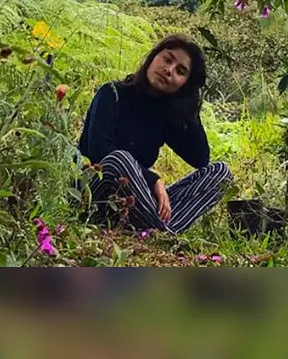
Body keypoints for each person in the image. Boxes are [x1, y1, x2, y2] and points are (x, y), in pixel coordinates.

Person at [77, 34, 232, 233]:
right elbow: (99, 151)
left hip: (138, 204)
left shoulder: (166, 114)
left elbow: (200, 159)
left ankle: (155, 228)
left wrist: (190, 105)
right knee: (120, 159)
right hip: (97, 197)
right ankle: (162, 232)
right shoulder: (112, 93)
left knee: (220, 173)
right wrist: (153, 180)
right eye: (167, 59)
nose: (169, 70)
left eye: (180, 71)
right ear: (153, 57)